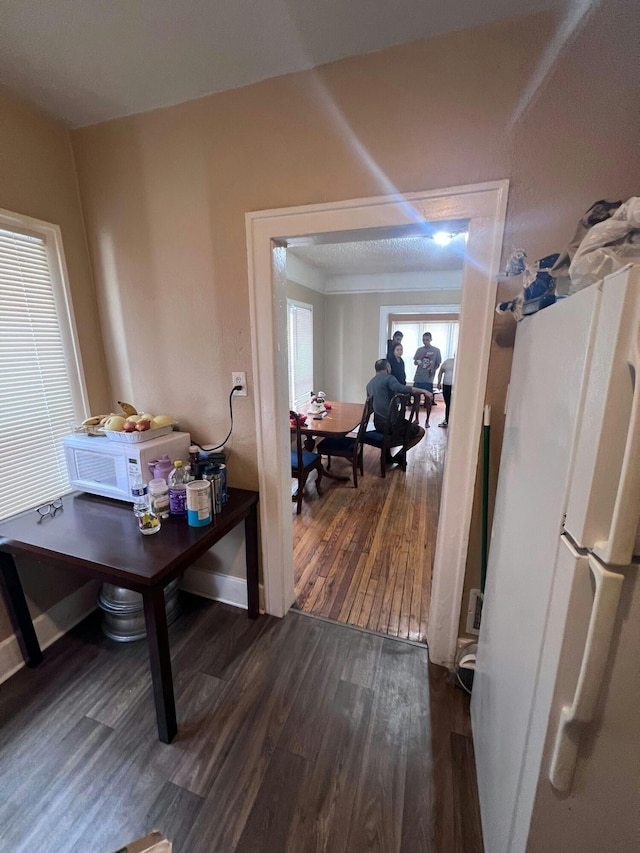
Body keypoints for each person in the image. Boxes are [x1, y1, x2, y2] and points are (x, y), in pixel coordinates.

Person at [366, 359, 426, 463]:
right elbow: (401, 388)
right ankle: (400, 455)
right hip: (392, 426)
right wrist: (424, 391)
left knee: (392, 423)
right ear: (387, 368)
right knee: (420, 432)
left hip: (378, 424)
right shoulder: (389, 378)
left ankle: (387, 457)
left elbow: (370, 407)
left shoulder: (369, 384)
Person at [413, 331, 441, 401]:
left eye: (427, 340)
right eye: (423, 340)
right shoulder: (419, 350)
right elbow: (415, 362)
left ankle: (428, 412)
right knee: (416, 399)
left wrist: (433, 370)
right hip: (418, 377)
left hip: (428, 378)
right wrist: (417, 362)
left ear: (431, 339)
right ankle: (416, 412)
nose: (425, 342)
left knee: (428, 399)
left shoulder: (436, 350)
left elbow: (438, 364)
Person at [437, 354, 455, 427]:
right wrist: (438, 382)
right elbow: (440, 371)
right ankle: (447, 420)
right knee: (448, 403)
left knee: (452, 404)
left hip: (455, 386)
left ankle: (452, 420)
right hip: (446, 385)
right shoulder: (448, 361)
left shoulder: (461, 363)